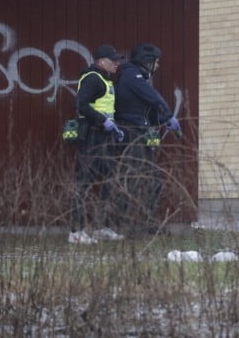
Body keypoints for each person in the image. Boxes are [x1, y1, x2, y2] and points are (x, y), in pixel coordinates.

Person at [114, 43, 181, 236]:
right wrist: (168, 115)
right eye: (156, 62)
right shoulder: (131, 76)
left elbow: (144, 110)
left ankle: (150, 223)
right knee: (135, 179)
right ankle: (129, 226)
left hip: (141, 132)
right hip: (132, 133)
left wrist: (162, 120)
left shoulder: (137, 77)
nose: (158, 66)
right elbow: (153, 97)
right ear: (147, 61)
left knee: (153, 180)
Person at [69, 44, 126, 244]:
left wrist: (114, 127)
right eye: (113, 60)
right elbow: (81, 105)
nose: (117, 63)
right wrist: (103, 121)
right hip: (93, 137)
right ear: (102, 61)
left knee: (109, 183)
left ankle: (102, 227)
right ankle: (76, 232)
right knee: (84, 183)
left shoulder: (105, 79)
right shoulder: (93, 78)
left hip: (105, 138)